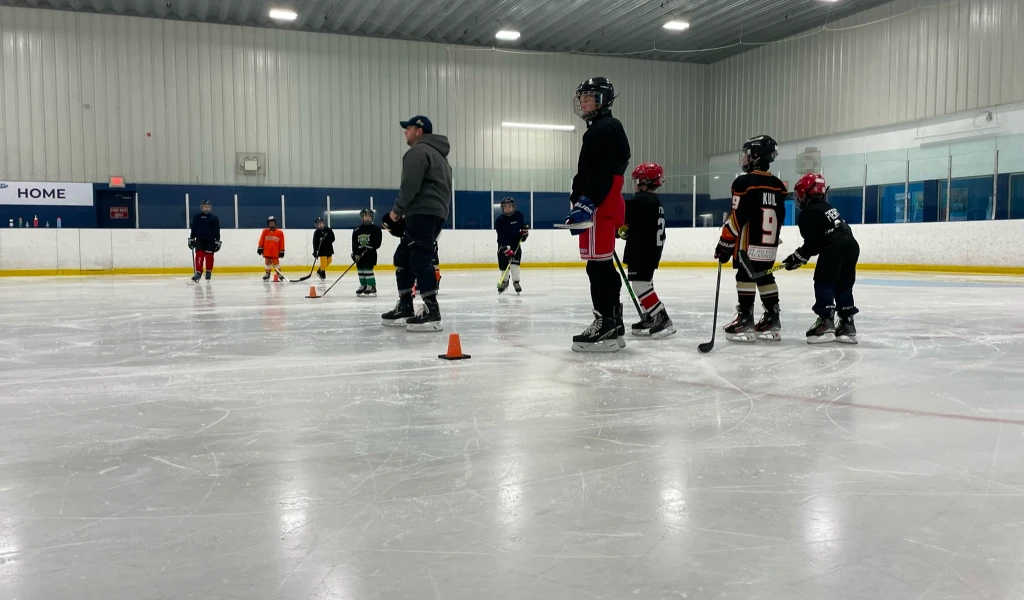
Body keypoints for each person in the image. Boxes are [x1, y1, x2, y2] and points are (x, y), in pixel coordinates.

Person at [557, 77, 631, 352]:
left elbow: (602, 172)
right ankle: (614, 322)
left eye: (591, 97)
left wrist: (587, 202)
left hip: (599, 203)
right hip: (604, 202)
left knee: (597, 266)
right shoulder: (605, 128)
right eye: (583, 97)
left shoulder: (603, 129)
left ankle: (605, 325)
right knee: (602, 265)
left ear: (604, 100)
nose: (585, 102)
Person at [380, 115, 452, 331]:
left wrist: (395, 214)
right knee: (403, 257)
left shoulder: (418, 152)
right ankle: (405, 306)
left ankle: (431, 311)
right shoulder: (441, 158)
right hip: (433, 213)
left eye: (408, 128)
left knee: (420, 258)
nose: (405, 132)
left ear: (419, 131)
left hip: (422, 213)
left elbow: (410, 185)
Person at [714, 135, 787, 342]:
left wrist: (725, 243)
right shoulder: (778, 185)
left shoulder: (744, 182)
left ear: (756, 156)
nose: (745, 158)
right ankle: (772, 318)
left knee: (745, 277)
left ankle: (745, 320)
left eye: (748, 154)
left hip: (748, 245)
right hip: (768, 244)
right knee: (765, 277)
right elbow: (780, 217)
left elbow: (737, 216)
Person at [783, 173, 861, 344]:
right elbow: (819, 241)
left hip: (835, 246)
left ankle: (826, 322)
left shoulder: (807, 213)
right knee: (844, 284)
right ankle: (847, 325)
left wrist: (797, 257)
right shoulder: (827, 207)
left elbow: (814, 244)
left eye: (798, 193)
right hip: (851, 245)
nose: (797, 198)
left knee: (824, 281)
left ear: (804, 192)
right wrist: (799, 257)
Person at [618, 162, 674, 338]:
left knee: (640, 285)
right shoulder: (652, 201)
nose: (634, 184)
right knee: (645, 283)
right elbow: (640, 224)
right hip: (650, 250)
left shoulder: (641, 200)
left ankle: (661, 317)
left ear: (644, 181)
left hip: (642, 251)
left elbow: (622, 215)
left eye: (636, 180)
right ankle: (650, 316)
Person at [494, 197, 529, 294]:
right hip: (503, 245)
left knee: (515, 265)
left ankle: (516, 282)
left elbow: (522, 227)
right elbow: (502, 236)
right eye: (505, 206)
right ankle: (505, 281)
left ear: (513, 206)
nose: (507, 208)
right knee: (503, 266)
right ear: (502, 208)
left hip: (515, 244)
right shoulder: (499, 220)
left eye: (509, 206)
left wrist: (524, 234)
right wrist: (506, 250)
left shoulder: (519, 215)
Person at [188, 198, 221, 282]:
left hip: (210, 241)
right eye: (204, 206)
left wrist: (217, 241)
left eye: (208, 206)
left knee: (209, 257)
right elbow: (193, 229)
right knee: (199, 255)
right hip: (199, 240)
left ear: (210, 207)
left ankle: (208, 272)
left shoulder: (214, 218)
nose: (206, 208)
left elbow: (217, 231)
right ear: (201, 207)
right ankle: (198, 273)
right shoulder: (197, 217)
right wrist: (192, 238)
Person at [352, 208, 382, 297]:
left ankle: (372, 286)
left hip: (370, 254)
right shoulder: (357, 230)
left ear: (372, 217)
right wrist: (355, 253)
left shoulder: (376, 229)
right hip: (359, 254)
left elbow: (377, 243)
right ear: (362, 217)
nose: (367, 217)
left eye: (369, 215)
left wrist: (369, 247)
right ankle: (364, 285)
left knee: (367, 269)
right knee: (360, 269)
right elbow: (354, 243)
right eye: (365, 215)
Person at [257, 216, 285, 281]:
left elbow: (282, 242)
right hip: (267, 251)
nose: (272, 224)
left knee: (276, 263)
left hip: (275, 251)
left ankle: (279, 273)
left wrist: (282, 250)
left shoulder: (279, 232)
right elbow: (261, 239)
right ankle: (267, 273)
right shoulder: (265, 231)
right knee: (267, 262)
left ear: (275, 223)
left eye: (273, 222)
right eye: (270, 222)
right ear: (268, 224)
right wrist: (260, 247)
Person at [312, 217, 335, 281]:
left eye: (321, 223)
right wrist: (315, 251)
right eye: (319, 224)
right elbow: (314, 242)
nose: (321, 225)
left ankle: (319, 270)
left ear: (323, 223)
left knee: (329, 260)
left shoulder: (328, 230)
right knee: (323, 259)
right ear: (317, 225)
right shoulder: (316, 232)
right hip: (321, 249)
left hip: (328, 248)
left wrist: (326, 239)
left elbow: (333, 238)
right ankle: (322, 272)